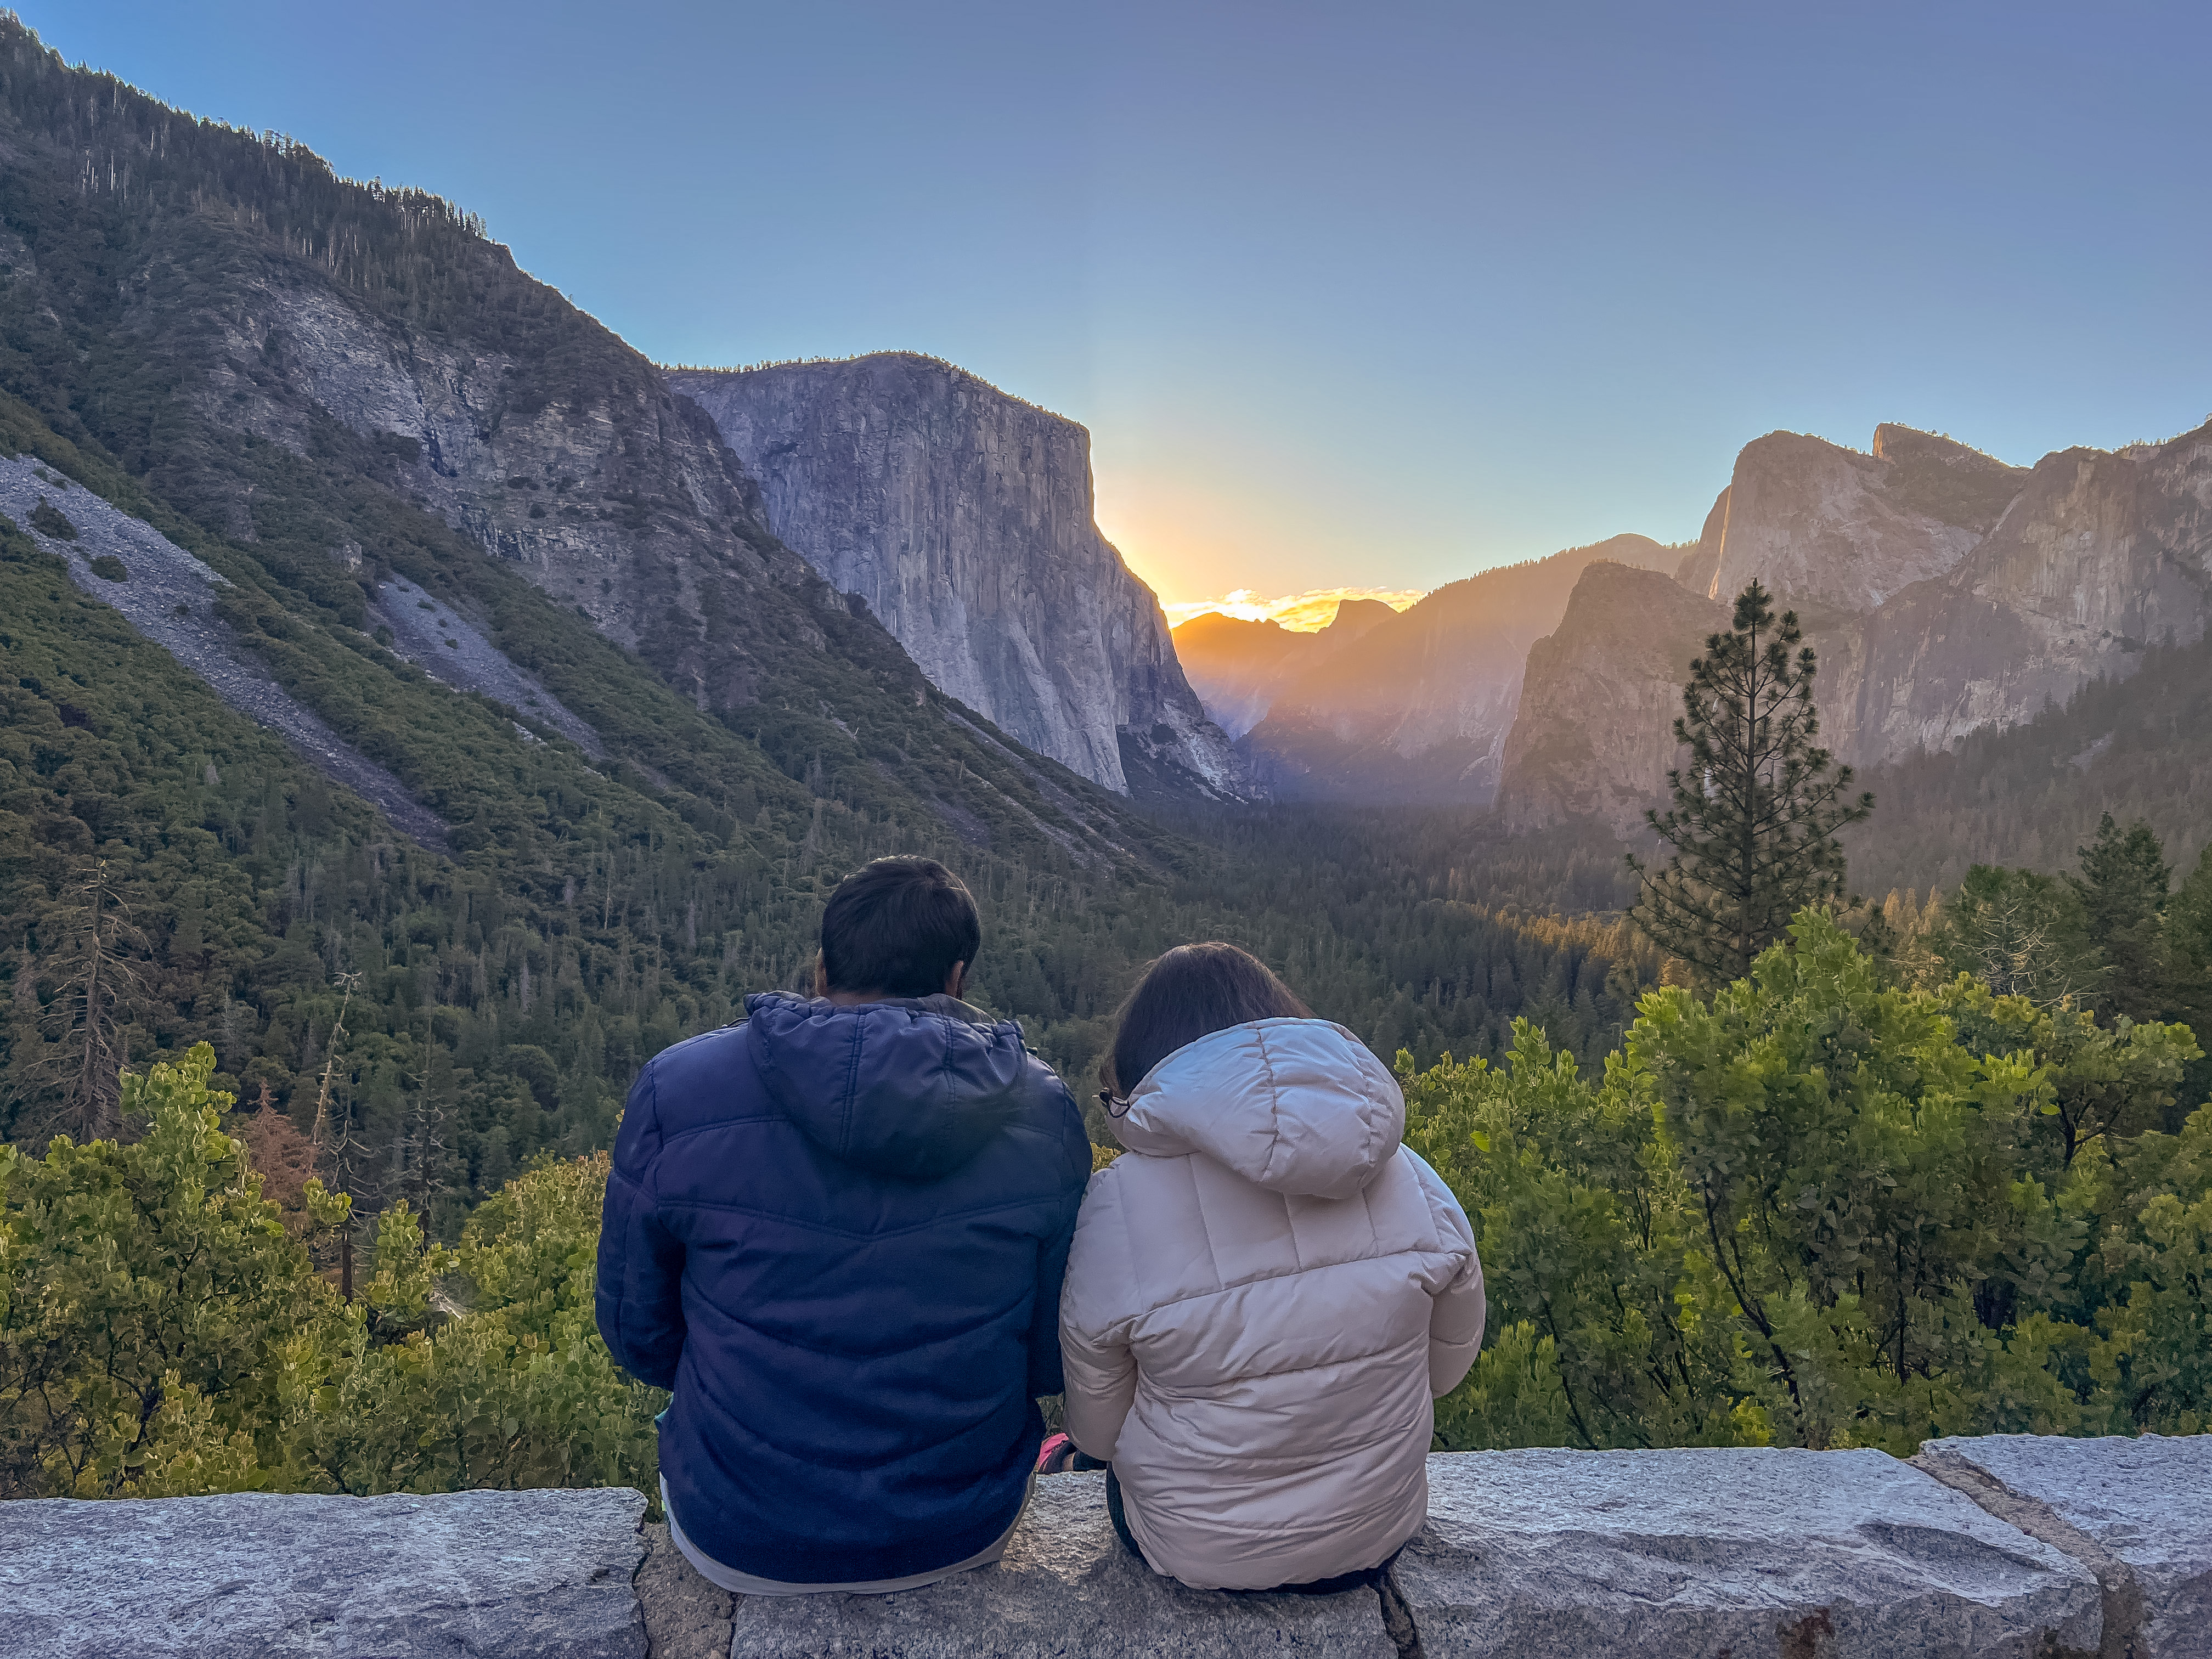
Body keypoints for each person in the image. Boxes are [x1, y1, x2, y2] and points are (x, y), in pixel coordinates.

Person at [595, 856, 1089, 1594]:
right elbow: (1057, 1356)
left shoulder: (678, 1089)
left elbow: (637, 1330)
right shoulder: (1043, 1110)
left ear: (820, 971)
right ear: (957, 980)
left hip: (735, 1526)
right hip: (962, 1525)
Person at [1058, 942, 1485, 1593]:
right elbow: (1445, 1371)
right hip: (1380, 1530)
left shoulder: (1115, 1205)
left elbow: (1099, 1430)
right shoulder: (1414, 1180)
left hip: (1197, 1550)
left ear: (1146, 1068)